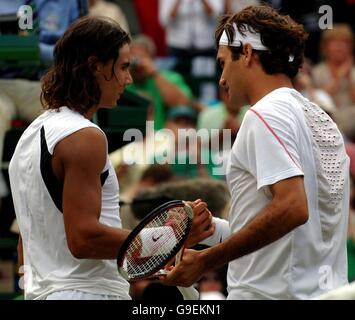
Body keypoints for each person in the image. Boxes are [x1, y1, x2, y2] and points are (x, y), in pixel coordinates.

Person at [8, 16, 213, 300]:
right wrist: (171, 238)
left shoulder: (28, 137)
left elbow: (26, 244)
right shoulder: (84, 136)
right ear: (95, 66)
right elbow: (84, 240)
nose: (128, 79)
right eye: (123, 67)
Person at [163, 5, 350, 299]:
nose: (221, 79)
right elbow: (295, 228)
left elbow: (292, 208)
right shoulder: (321, 119)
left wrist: (206, 260)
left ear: (247, 53)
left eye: (223, 63)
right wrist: (214, 230)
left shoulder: (263, 115)